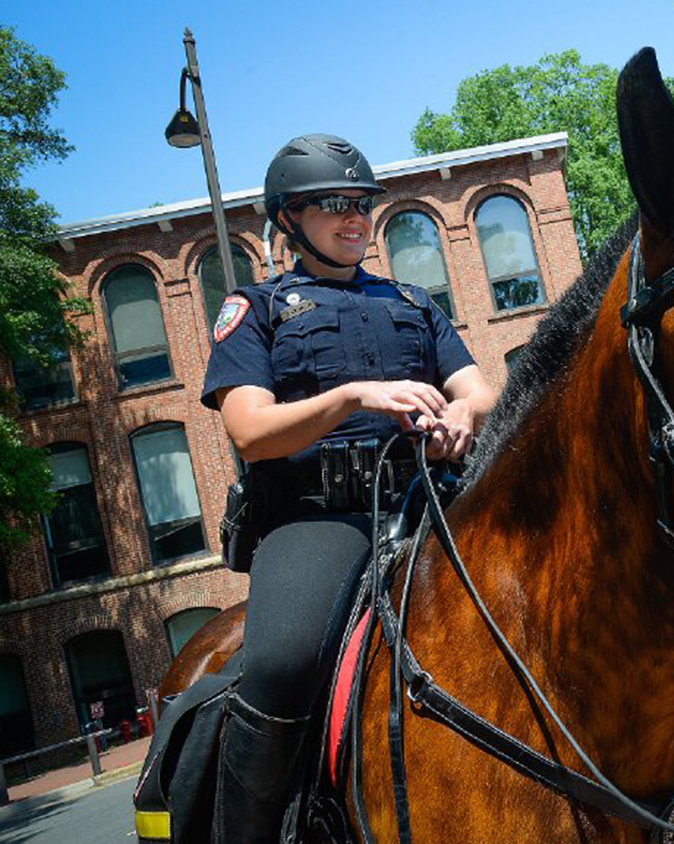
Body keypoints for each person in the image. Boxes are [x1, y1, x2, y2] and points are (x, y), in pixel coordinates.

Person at [200, 133, 496, 844]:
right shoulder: (256, 309)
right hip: (320, 518)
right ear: (288, 219)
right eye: (333, 205)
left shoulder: (413, 301)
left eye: (363, 203)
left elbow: (481, 388)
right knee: (281, 660)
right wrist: (355, 397)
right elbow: (251, 430)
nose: (355, 217)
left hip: (432, 500)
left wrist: (461, 415)